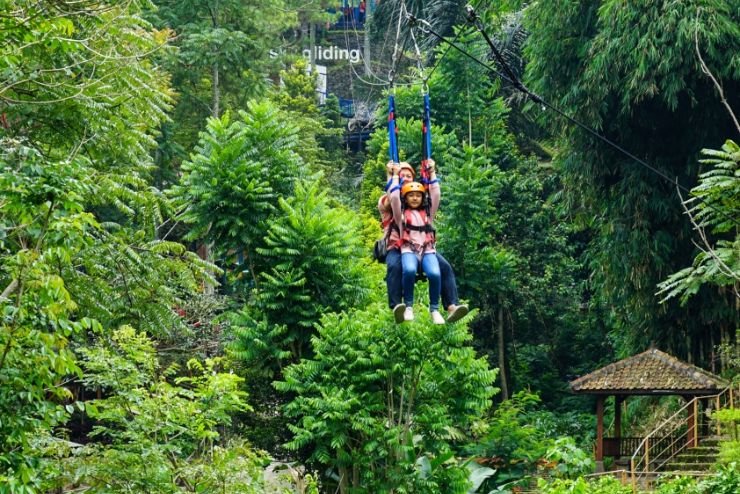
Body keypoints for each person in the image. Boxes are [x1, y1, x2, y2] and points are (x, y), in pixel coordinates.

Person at [378, 161, 468, 324]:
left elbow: (433, 196)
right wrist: (392, 176)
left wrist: (431, 173)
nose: (405, 178)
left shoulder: (420, 204)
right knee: (394, 267)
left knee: (444, 267)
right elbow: (393, 199)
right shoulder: (389, 198)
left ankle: (451, 306)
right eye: (402, 175)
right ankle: (398, 306)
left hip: (423, 248)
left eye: (408, 176)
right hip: (397, 247)